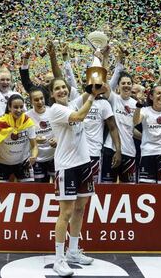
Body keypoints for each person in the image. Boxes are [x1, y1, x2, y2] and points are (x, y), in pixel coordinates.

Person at [48, 77, 106, 276]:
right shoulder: (55, 110)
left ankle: (73, 251)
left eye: (64, 87)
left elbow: (89, 90)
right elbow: (80, 116)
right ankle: (59, 259)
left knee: (80, 209)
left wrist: (94, 87)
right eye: (57, 89)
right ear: (52, 94)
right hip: (66, 167)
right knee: (66, 213)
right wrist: (93, 95)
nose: (62, 90)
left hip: (84, 163)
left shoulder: (71, 102)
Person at [0, 94, 38, 182]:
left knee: (29, 190)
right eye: (15, 107)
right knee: (1, 193)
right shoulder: (0, 124)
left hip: (23, 162)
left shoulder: (28, 123)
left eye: (21, 107)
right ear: (9, 107)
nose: (19, 110)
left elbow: (34, 146)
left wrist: (34, 156)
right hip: (2, 164)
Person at [102, 72, 140, 184]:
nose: (126, 85)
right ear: (118, 86)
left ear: (132, 86)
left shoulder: (136, 104)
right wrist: (106, 57)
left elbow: (133, 128)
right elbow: (104, 84)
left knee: (128, 189)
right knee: (107, 188)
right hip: (111, 148)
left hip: (129, 151)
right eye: (123, 83)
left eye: (129, 83)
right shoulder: (114, 98)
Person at [26, 88, 57, 183]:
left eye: (41, 98)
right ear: (31, 101)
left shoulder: (53, 111)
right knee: (40, 188)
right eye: (36, 100)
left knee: (57, 187)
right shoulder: (27, 116)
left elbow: (61, 130)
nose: (40, 102)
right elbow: (24, 138)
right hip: (37, 159)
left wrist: (57, 139)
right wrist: (34, 140)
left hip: (54, 156)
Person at [0, 38, 21, 116]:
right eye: (2, 79)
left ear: (11, 81)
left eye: (7, 80)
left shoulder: (17, 95)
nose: (5, 82)